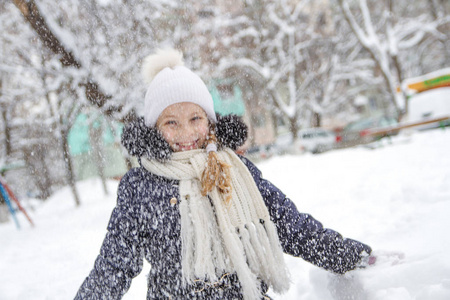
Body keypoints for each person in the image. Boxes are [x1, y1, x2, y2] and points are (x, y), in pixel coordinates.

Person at [75, 48, 374, 300]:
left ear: (210, 120)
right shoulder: (140, 186)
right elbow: (115, 264)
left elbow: (288, 224)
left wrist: (346, 254)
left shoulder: (235, 169)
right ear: (154, 128)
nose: (187, 133)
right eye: (171, 123)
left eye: (195, 118)